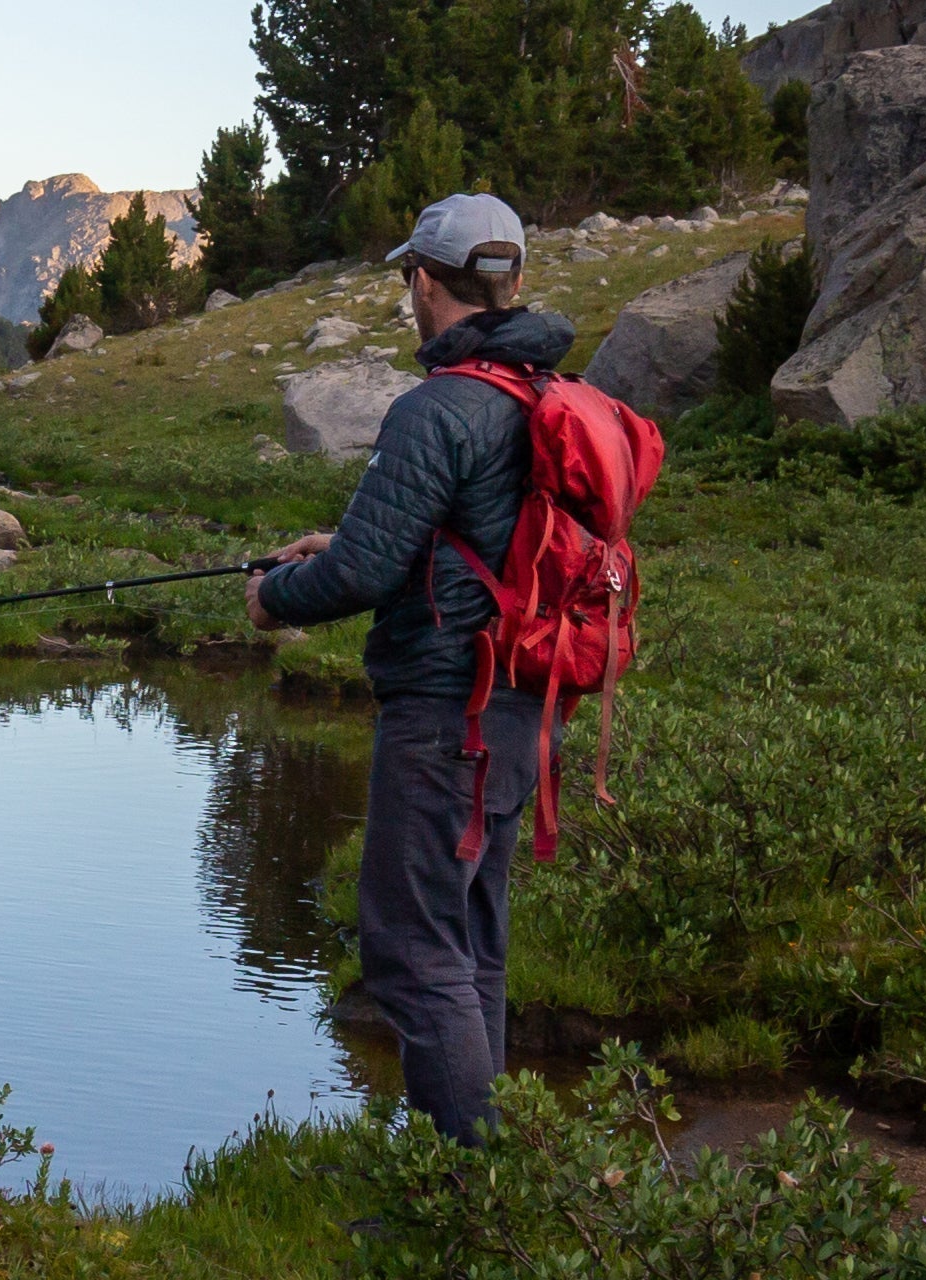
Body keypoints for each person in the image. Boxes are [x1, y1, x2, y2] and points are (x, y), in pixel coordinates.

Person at [244, 193, 575, 1145]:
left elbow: (361, 574)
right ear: (511, 283)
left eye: (409, 279)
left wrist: (278, 596)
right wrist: (340, 542)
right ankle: (485, 1177)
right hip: (524, 706)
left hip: (447, 715)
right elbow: (463, 539)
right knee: (473, 944)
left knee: (414, 953)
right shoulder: (542, 389)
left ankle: (461, 1196)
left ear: (425, 282)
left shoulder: (438, 408)